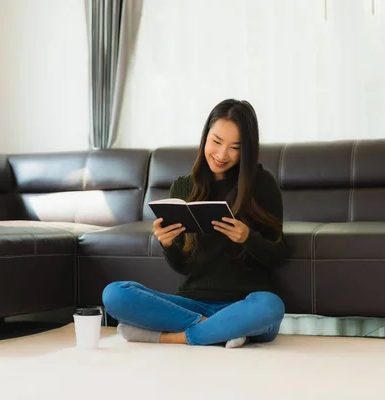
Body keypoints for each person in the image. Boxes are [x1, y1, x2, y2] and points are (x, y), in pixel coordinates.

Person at [102, 98, 288, 348]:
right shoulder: (183, 186)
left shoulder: (263, 184)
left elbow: (278, 255)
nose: (222, 155)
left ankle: (172, 337)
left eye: (235, 147)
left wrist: (248, 238)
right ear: (205, 137)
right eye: (216, 142)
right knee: (115, 294)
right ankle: (219, 330)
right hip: (191, 302)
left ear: (247, 149)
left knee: (271, 306)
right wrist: (167, 244)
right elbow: (182, 267)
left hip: (244, 303)